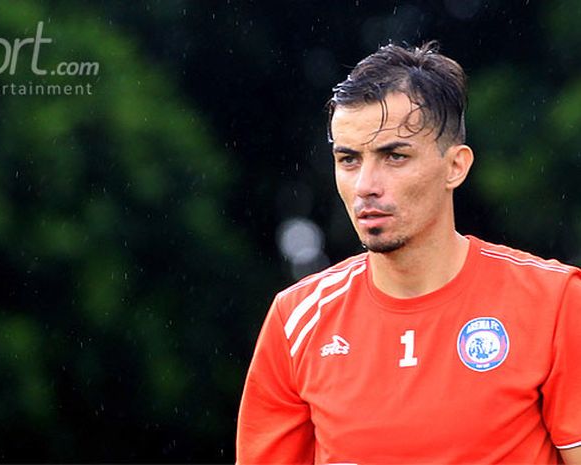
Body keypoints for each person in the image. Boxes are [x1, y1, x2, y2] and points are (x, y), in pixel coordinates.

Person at [236, 41, 581, 464]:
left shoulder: (554, 302)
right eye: (348, 159)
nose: (366, 184)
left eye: (394, 156)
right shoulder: (296, 321)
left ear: (456, 166)